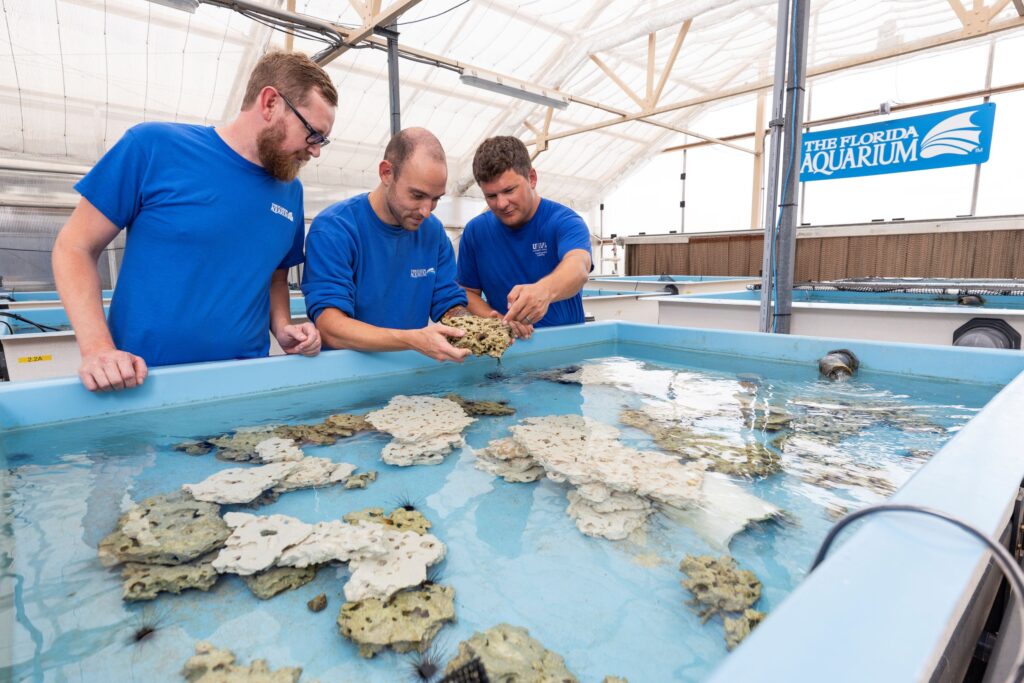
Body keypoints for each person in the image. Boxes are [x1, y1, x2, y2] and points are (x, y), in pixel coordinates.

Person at [52, 51, 335, 392]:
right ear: (271, 102)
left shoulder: (291, 191)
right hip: (141, 382)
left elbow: (276, 275)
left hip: (242, 386)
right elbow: (75, 247)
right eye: (313, 134)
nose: (316, 151)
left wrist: (283, 326)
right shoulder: (154, 147)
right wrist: (98, 349)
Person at [301, 128, 471, 363]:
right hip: (347, 376)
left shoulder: (433, 232)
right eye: (417, 195)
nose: (426, 210)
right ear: (386, 173)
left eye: (435, 199)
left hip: (407, 374)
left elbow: (449, 302)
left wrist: (479, 329)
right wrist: (412, 339)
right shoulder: (335, 229)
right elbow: (331, 327)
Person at [456, 136, 592, 339]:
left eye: (509, 190)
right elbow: (467, 292)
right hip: (507, 352)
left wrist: (543, 291)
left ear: (532, 178)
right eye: (491, 196)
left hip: (565, 356)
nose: (501, 204)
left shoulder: (564, 221)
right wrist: (499, 321)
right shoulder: (476, 231)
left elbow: (579, 268)